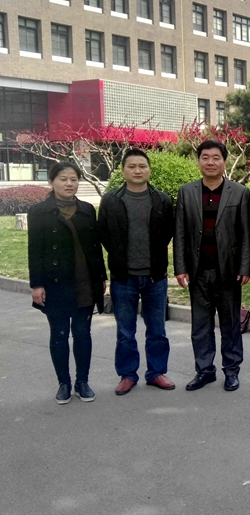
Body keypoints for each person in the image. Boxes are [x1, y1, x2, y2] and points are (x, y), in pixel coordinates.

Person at [174, 140, 250, 392]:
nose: (210, 162)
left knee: (230, 325)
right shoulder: (187, 192)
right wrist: (180, 267)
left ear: (224, 161)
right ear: (198, 161)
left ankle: (231, 371)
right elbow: (180, 233)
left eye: (216, 157)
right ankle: (204, 370)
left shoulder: (239, 192)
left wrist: (245, 267)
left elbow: (246, 234)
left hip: (228, 271)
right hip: (197, 271)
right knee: (200, 326)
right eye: (205, 157)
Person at [28, 162, 107, 404]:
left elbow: (95, 248)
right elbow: (35, 250)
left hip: (85, 281)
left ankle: (82, 381)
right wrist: (37, 284)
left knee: (82, 333)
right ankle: (64, 382)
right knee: (59, 334)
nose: (69, 184)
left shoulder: (87, 209)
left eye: (74, 179)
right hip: (55, 283)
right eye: (63, 179)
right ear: (51, 182)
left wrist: (102, 277)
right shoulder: (39, 211)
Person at [98, 148, 176, 396]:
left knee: (157, 330)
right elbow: (104, 234)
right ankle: (127, 375)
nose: (137, 170)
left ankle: (156, 372)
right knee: (125, 332)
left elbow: (168, 233)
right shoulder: (111, 200)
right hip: (124, 277)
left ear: (149, 170)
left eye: (142, 166)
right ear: (123, 170)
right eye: (131, 166)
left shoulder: (162, 200)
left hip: (155, 277)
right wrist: (119, 256)